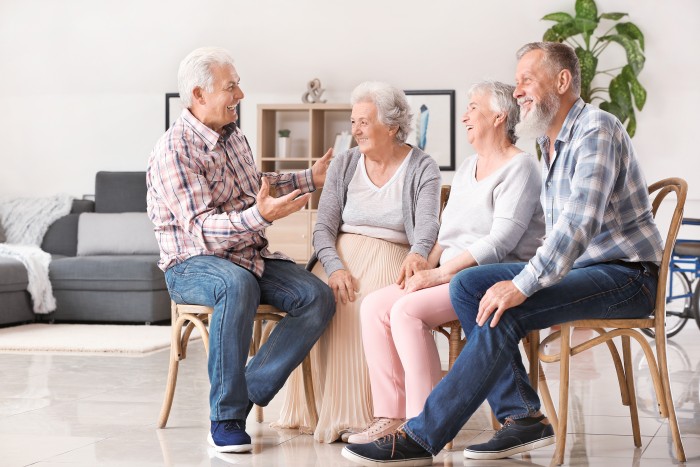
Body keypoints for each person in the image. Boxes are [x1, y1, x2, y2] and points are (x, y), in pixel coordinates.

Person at [342, 41, 663, 466]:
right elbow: (556, 236)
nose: (518, 92)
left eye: (527, 80)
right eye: (516, 84)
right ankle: (522, 416)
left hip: (625, 276)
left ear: (563, 81)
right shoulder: (550, 145)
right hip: (586, 269)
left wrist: (521, 283)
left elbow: (576, 228)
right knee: (473, 284)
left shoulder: (595, 131)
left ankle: (424, 434)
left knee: (501, 302)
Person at [146, 47, 335, 454]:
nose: (241, 95)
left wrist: (309, 177)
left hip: (248, 258)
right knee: (236, 285)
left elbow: (257, 187)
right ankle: (226, 415)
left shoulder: (234, 136)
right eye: (231, 87)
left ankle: (247, 387)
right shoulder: (174, 151)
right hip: (192, 264)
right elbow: (201, 230)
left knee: (317, 296)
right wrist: (261, 218)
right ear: (199, 94)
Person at [347, 80, 545, 445]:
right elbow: (446, 231)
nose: (465, 115)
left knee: (407, 311)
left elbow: (501, 242)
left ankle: (420, 425)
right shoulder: (470, 165)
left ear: (499, 116)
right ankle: (390, 415)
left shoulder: (521, 167)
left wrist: (439, 273)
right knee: (375, 305)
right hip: (448, 273)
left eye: (473, 107)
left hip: (486, 280)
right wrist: (425, 262)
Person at [273, 81, 442, 443]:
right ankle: (325, 411)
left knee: (367, 304)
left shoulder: (422, 166)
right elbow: (323, 228)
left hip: (394, 254)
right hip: (340, 256)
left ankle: (379, 414)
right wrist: (334, 267)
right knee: (321, 299)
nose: (356, 130)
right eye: (354, 122)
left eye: (364, 121)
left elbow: (428, 223)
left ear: (393, 126)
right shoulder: (346, 163)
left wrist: (418, 252)